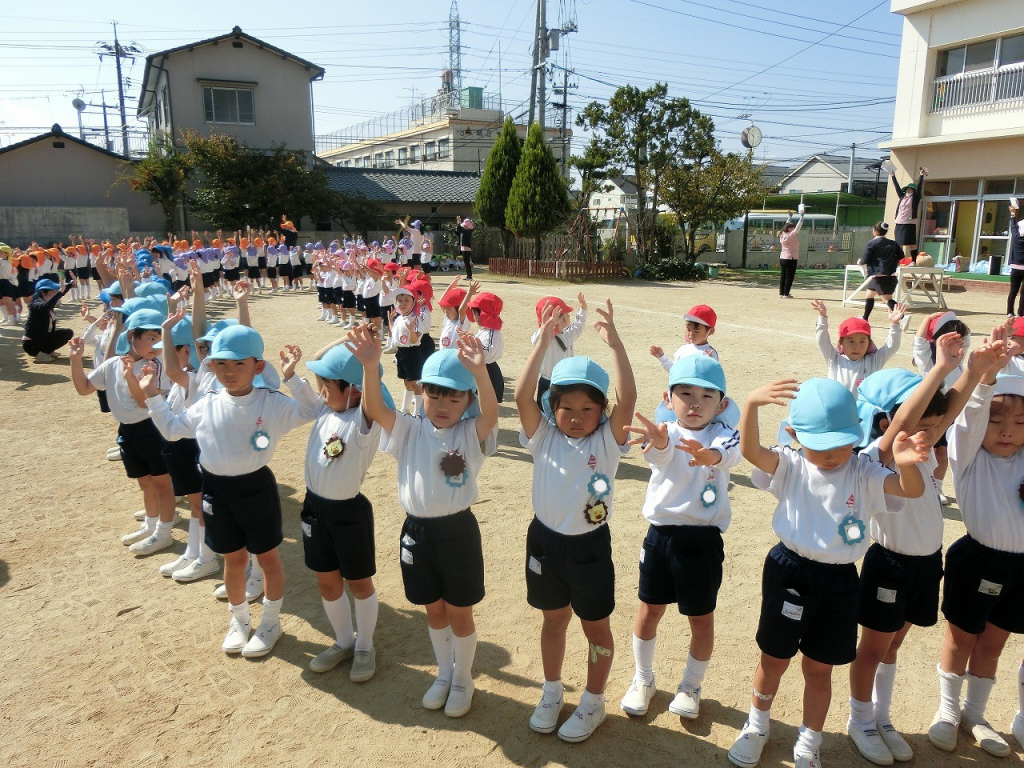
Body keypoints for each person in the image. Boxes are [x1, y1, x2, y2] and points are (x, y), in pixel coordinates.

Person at [729, 377, 928, 768]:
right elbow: (751, 451)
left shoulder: (863, 470)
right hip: (789, 571)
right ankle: (756, 724)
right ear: (794, 434)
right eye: (820, 444)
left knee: (819, 668)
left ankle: (809, 741)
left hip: (840, 581)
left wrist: (906, 467)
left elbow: (910, 492)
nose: (834, 453)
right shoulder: (792, 464)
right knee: (773, 659)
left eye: (842, 441)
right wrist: (751, 403)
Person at [848, 333, 998, 765]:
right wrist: (938, 368)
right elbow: (903, 423)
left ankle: (881, 717)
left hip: (926, 566)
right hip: (890, 565)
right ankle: (860, 721)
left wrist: (970, 369)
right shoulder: (881, 458)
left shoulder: (925, 448)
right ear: (885, 425)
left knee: (893, 646)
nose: (935, 433)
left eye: (938, 428)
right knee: (873, 648)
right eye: (925, 426)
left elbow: (945, 411)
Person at [349, 325, 498, 718]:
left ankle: (463, 678)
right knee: (433, 610)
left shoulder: (470, 433)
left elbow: (491, 414)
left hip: (457, 533)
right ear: (421, 392)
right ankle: (444, 673)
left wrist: (481, 373)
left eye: (454, 395)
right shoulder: (410, 429)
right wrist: (370, 366)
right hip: (415, 532)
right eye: (434, 392)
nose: (442, 403)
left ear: (468, 401)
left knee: (459, 612)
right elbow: (378, 410)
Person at [140, 326, 314, 658]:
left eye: (238, 364)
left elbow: (310, 410)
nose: (228, 372)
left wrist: (292, 377)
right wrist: (152, 396)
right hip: (216, 490)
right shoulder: (207, 404)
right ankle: (239, 620)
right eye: (220, 365)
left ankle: (271, 622)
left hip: (256, 487)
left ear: (258, 367)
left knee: (268, 559)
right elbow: (173, 430)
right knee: (233, 560)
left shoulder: (272, 403)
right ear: (211, 366)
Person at [514, 300, 636, 743]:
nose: (578, 417)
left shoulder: (607, 441)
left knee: (596, 627)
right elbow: (520, 396)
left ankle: (593, 699)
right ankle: (551, 692)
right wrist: (544, 342)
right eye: (568, 408)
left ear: (602, 411)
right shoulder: (541, 434)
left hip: (588, 547)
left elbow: (629, 401)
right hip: (544, 543)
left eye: (589, 408)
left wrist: (617, 347)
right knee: (553, 620)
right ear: (553, 407)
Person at [618, 355, 741, 725]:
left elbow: (730, 453)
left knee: (701, 619)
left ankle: (691, 686)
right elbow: (659, 454)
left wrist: (710, 455)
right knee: (648, 610)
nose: (695, 402)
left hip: (702, 542)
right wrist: (657, 442)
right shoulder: (666, 430)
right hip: (661, 537)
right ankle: (643, 679)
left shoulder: (723, 432)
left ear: (721, 404)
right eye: (684, 393)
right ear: (668, 398)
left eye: (707, 395)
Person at [928, 328, 1024, 759]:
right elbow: (968, 419)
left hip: (1020, 569)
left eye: (1021, 423)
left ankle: (975, 713)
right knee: (961, 638)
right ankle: (947, 711)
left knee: (994, 643)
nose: (1008, 432)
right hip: (977, 560)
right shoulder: (968, 457)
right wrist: (985, 378)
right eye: (997, 421)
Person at [293, 339, 392, 681]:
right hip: (314, 509)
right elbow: (317, 359)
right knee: (327, 581)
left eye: (326, 384)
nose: (319, 389)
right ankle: (343, 641)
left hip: (348, 513)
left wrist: (367, 364)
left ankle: (365, 645)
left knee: (359, 582)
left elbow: (370, 392)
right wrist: (345, 340)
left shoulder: (364, 422)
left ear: (353, 390)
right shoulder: (324, 408)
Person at [69, 307, 177, 554]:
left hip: (153, 429)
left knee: (162, 484)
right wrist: (75, 360)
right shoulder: (112, 365)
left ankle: (164, 532)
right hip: (128, 431)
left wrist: (131, 378)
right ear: (131, 337)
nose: (156, 344)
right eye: (150, 338)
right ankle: (151, 525)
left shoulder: (155, 365)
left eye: (159, 338)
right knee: (145, 483)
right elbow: (84, 388)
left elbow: (144, 402)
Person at [811, 300, 904, 395]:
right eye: (851, 341)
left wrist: (894, 324)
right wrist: (822, 317)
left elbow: (892, 346)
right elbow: (822, 342)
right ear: (841, 343)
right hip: (839, 409)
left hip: (863, 409)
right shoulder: (834, 359)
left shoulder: (873, 361)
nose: (856, 347)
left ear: (869, 343)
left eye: (862, 341)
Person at [530, 294, 588, 406]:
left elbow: (578, 326)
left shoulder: (566, 334)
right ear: (559, 319)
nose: (570, 317)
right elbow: (535, 340)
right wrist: (548, 324)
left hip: (566, 380)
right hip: (549, 382)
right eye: (567, 315)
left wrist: (583, 309)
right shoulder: (546, 338)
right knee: (545, 413)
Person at [650, 304, 719, 371]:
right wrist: (662, 357)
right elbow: (674, 370)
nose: (691, 334)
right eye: (689, 330)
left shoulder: (710, 353)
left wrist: (709, 364)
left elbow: (710, 376)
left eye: (696, 331)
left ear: (710, 331)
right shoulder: (684, 349)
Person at [858, 223, 903, 324]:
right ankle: (865, 318)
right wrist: (891, 261)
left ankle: (903, 316)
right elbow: (901, 255)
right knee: (869, 294)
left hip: (878, 276)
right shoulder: (893, 243)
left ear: (875, 231)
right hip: (890, 275)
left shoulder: (871, 244)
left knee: (887, 299)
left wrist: (859, 262)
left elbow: (865, 259)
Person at [22, 278, 75, 362]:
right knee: (65, 333)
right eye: (52, 290)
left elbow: (60, 294)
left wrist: (71, 283)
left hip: (41, 339)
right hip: (32, 344)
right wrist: (61, 291)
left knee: (67, 333)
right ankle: (39, 354)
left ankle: (46, 351)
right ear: (43, 291)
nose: (55, 291)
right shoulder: (35, 303)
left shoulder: (45, 298)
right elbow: (47, 306)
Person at [469, 291, 505, 403]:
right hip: (482, 371)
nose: (473, 316)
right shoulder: (485, 330)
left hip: (488, 374)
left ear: (481, 314)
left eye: (474, 313)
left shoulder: (491, 333)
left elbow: (486, 353)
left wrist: (471, 344)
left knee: (485, 409)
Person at [891, 167, 927, 262]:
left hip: (909, 223)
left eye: (911, 190)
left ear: (913, 191)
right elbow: (897, 188)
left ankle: (914, 261)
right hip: (899, 222)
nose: (909, 191)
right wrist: (893, 176)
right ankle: (898, 260)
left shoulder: (915, 198)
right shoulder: (902, 197)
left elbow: (919, 188)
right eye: (907, 190)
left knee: (912, 243)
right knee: (898, 243)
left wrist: (921, 176)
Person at [779, 206, 805, 298]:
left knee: (783, 276)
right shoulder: (792, 235)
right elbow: (798, 227)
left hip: (782, 258)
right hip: (791, 258)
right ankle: (786, 293)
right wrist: (801, 216)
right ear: (789, 228)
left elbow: (786, 224)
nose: (793, 228)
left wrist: (789, 216)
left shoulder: (782, 234)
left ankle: (782, 293)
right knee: (789, 277)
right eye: (792, 227)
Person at [1006, 201, 1023, 318]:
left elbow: (1013, 227)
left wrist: (1013, 214)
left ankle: (1009, 312)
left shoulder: (1017, 237)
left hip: (1015, 268)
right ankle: (1021, 313)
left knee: (1013, 292)